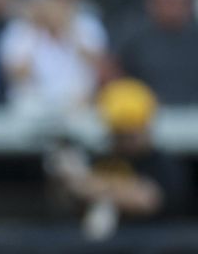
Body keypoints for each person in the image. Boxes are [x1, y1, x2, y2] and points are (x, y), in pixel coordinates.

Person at [45, 78, 192, 241]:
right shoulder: (103, 158)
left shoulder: (163, 164)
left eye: (130, 134)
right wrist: (64, 176)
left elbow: (145, 199)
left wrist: (83, 184)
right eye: (119, 134)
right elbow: (68, 204)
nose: (124, 141)